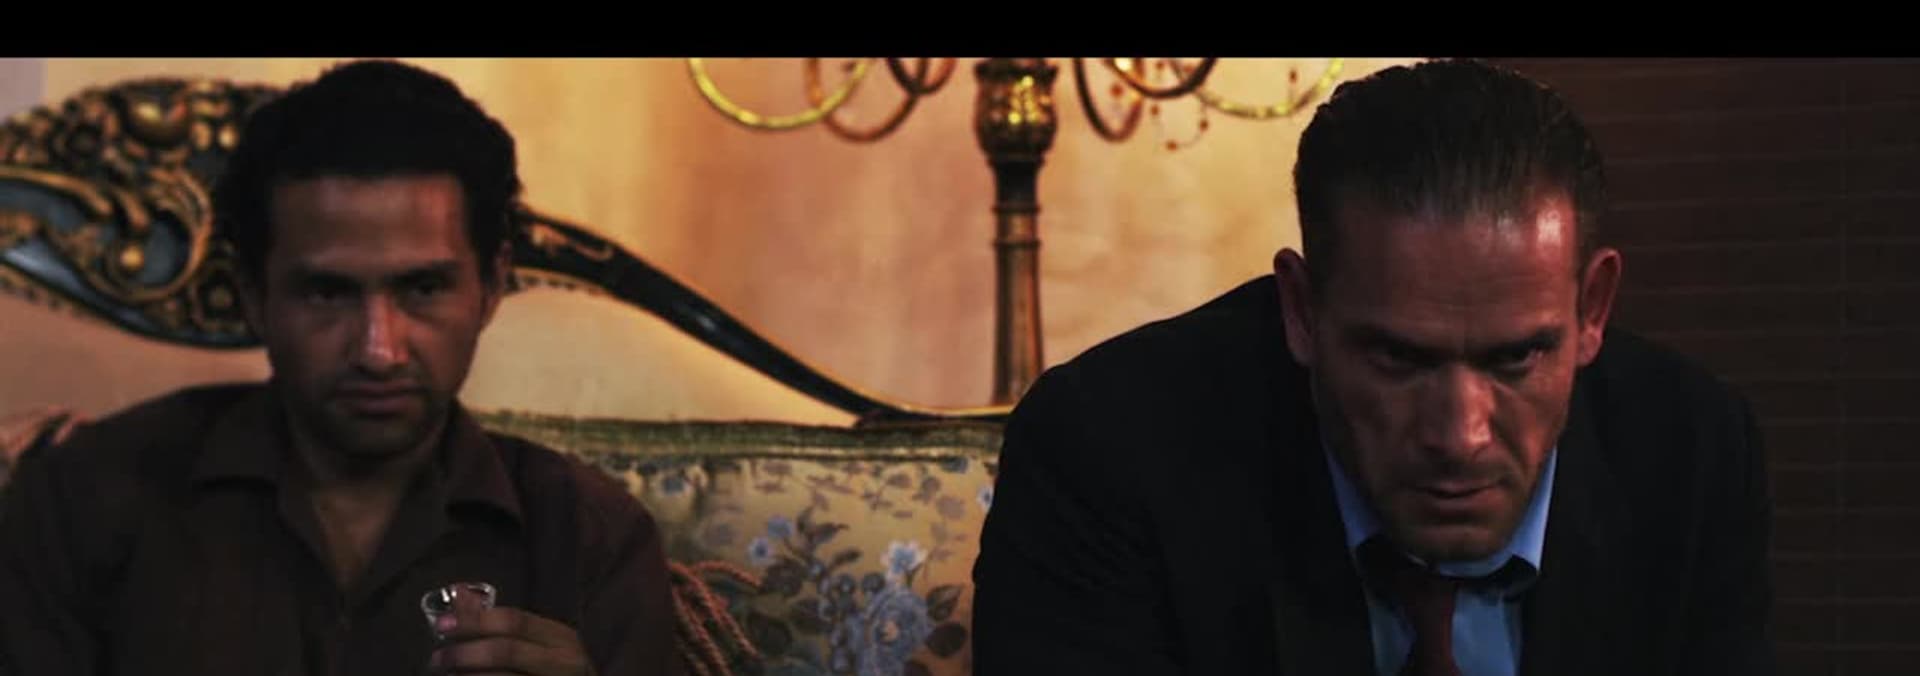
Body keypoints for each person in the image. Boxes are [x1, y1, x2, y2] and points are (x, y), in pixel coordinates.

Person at [971, 58, 1773, 675]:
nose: (1459, 435)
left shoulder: (1692, 452)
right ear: (1300, 310)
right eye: (1398, 357)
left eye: (1515, 358)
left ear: (1592, 310)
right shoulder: (1111, 450)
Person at [0, 60, 681, 675]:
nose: (379, 350)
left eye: (423, 289)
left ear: (491, 285)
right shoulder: (85, 500)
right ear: (253, 295)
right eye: (328, 293)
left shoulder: (588, 538)